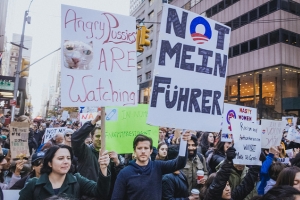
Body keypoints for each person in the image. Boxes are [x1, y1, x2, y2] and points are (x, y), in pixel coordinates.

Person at [111, 132, 190, 200]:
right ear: (134, 151)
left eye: (146, 148)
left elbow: (179, 163)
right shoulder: (124, 173)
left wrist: (184, 142)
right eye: (139, 148)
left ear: (151, 151)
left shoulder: (158, 166)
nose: (143, 151)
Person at [18, 144, 111, 200]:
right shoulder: (34, 184)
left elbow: (101, 192)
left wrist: (103, 168)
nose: (66, 161)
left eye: (68, 158)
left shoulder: (77, 180)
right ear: (50, 163)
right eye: (60, 158)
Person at [72, 113, 124, 199]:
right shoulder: (84, 151)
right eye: (97, 136)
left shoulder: (112, 155)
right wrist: (93, 122)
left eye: (103, 136)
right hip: (88, 196)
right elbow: (75, 139)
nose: (100, 139)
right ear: (91, 138)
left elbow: (120, 178)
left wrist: (117, 163)